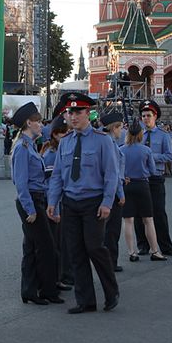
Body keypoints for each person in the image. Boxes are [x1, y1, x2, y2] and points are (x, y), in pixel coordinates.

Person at [47, 92, 120, 314]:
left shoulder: (102, 140)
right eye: (70, 112)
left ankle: (111, 291)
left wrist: (107, 202)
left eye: (78, 112)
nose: (73, 116)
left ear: (88, 113)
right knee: (76, 251)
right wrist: (53, 201)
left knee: (94, 247)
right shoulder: (66, 142)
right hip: (70, 202)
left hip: (93, 202)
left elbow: (111, 174)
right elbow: (58, 175)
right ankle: (85, 300)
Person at [10, 101, 63, 305]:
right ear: (29, 123)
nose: (42, 126)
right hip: (31, 200)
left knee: (32, 248)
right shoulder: (23, 148)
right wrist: (30, 209)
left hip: (35, 198)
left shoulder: (29, 145)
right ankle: (47, 291)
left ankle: (29, 291)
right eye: (39, 122)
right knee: (46, 247)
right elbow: (20, 182)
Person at [121, 118, 166, 262]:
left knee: (128, 221)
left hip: (127, 185)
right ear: (141, 134)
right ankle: (155, 251)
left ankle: (131, 252)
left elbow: (117, 169)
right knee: (148, 219)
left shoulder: (121, 149)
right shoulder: (146, 150)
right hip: (142, 185)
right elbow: (152, 170)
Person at [141, 101, 172, 257]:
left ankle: (165, 246)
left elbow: (169, 155)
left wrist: (150, 156)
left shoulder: (163, 135)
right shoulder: (137, 134)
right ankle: (143, 245)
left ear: (155, 116)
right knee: (140, 214)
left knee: (159, 213)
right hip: (141, 178)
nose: (145, 119)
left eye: (148, 116)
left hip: (156, 177)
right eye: (143, 116)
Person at [41, 114, 73, 291]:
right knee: (58, 243)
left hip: (66, 202)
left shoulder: (63, 150)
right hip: (57, 203)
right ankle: (59, 277)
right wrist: (55, 207)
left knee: (65, 242)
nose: (66, 135)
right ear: (54, 135)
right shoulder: (51, 155)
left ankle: (64, 275)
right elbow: (50, 184)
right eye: (63, 133)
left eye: (68, 132)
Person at [100, 111, 126, 273]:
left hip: (107, 190)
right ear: (114, 127)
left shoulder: (106, 142)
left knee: (107, 230)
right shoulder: (111, 145)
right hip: (114, 192)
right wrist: (121, 193)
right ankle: (111, 261)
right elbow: (114, 173)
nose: (122, 131)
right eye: (120, 128)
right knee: (112, 231)